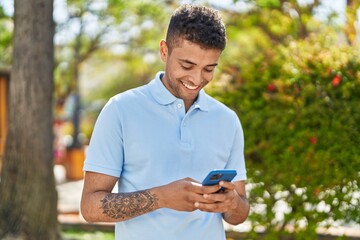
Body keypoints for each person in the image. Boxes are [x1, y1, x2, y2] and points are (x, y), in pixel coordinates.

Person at [81, 4, 250, 240]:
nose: (196, 78)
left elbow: (239, 213)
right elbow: (90, 207)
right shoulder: (121, 109)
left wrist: (231, 203)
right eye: (187, 65)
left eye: (209, 69)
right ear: (164, 51)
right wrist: (162, 197)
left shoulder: (227, 120)